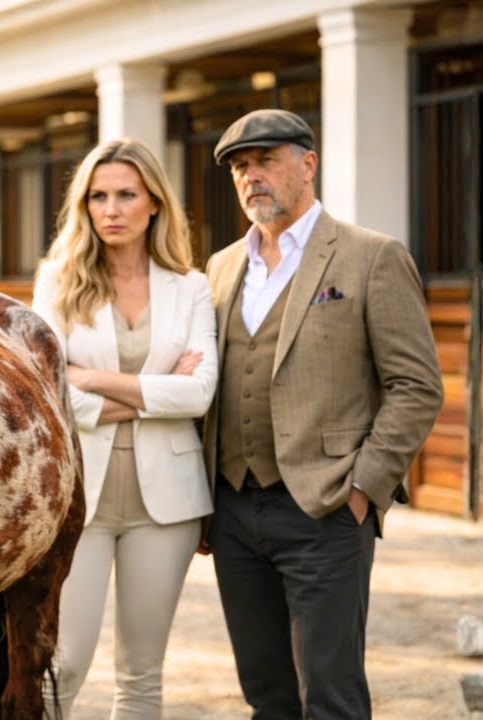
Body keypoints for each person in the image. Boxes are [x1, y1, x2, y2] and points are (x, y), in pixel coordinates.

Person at [202, 108, 444, 719]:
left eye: (265, 160)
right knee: (267, 697)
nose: (251, 176)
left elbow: (416, 386)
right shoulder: (221, 268)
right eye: (240, 166)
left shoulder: (371, 256)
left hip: (327, 508)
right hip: (234, 510)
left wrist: (363, 488)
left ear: (308, 164)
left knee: (331, 699)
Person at [32, 138, 218, 719]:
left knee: (141, 673)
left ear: (155, 203)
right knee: (62, 664)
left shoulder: (191, 287)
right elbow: (46, 390)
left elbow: (200, 393)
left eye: (127, 195)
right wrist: (157, 392)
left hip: (168, 505)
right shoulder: (57, 281)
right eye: (98, 197)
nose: (111, 209)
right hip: (75, 498)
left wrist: (91, 379)